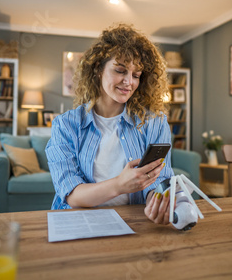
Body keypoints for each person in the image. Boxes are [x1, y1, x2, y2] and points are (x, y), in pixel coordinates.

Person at [45, 23, 174, 225]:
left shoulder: (154, 123)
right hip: (81, 221)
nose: (129, 82)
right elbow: (72, 194)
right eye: (120, 71)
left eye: (136, 75)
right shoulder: (65, 125)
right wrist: (120, 185)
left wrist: (156, 202)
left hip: (134, 222)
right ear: (98, 69)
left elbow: (159, 179)